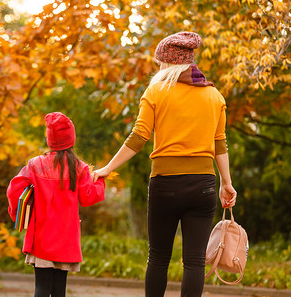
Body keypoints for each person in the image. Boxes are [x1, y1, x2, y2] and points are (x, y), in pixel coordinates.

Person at [91, 31, 237, 297]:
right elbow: (220, 144)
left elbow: (138, 137)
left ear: (170, 63)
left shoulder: (156, 91)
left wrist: (107, 169)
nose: (158, 67)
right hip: (203, 184)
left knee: (158, 258)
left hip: (165, 185)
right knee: (194, 261)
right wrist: (226, 184)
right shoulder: (214, 96)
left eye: (160, 62)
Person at [7, 112, 105, 297]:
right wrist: (99, 181)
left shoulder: (35, 165)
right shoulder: (80, 167)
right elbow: (88, 197)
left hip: (42, 237)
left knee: (41, 288)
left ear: (49, 140)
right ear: (71, 139)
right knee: (59, 290)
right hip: (65, 240)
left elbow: (14, 190)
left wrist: (18, 214)